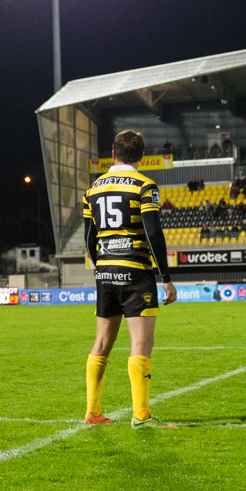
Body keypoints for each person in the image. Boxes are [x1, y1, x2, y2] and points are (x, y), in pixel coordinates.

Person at [81, 129, 178, 430]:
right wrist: (166, 277)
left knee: (101, 342)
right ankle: (142, 416)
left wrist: (102, 266)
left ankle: (93, 411)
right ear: (141, 157)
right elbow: (153, 233)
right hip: (135, 271)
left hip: (105, 272)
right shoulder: (144, 186)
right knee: (141, 343)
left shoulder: (93, 189)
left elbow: (88, 236)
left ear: (113, 154)